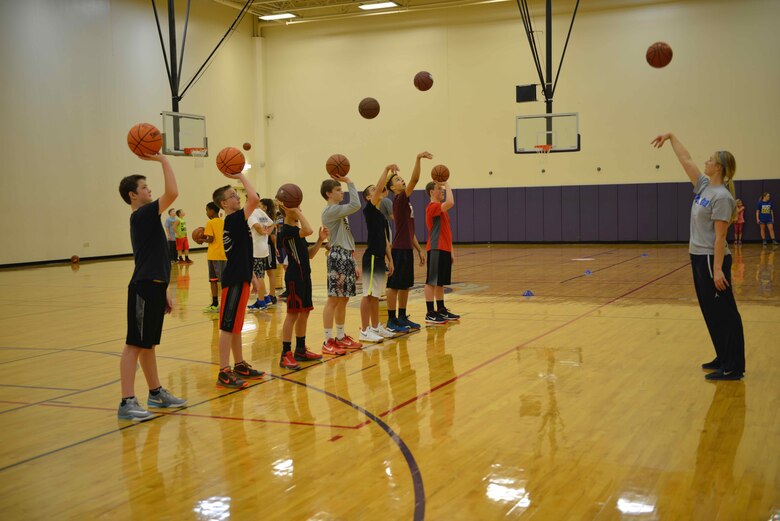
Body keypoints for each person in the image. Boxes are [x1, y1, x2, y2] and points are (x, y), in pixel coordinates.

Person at [652, 132, 745, 380]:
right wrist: (671, 137)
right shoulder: (705, 186)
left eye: (710, 159)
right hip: (698, 257)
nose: (706, 161)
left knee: (725, 313)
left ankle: (734, 366)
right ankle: (722, 356)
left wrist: (716, 270)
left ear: (719, 168)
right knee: (710, 311)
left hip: (711, 259)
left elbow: (720, 238)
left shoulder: (723, 198)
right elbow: (687, 160)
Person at [117, 153, 186, 420]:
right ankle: (126, 402)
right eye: (145, 187)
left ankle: (155, 393)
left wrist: (165, 289)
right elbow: (173, 192)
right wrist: (162, 160)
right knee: (134, 344)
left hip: (154, 286)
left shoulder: (147, 217)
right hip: (143, 287)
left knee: (148, 345)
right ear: (133, 195)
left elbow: (155, 257)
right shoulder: (143, 214)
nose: (149, 190)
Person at [212, 178, 265, 388]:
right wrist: (241, 176)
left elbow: (241, 252)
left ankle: (239, 364)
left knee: (236, 326)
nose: (237, 197)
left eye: (236, 194)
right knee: (227, 326)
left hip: (241, 276)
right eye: (233, 195)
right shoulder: (233, 219)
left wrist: (251, 275)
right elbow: (254, 198)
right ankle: (223, 371)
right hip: (233, 280)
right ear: (224, 204)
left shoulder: (237, 221)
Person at [277, 205, 336, 370]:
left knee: (305, 313)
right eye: (295, 208)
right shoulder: (287, 231)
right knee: (292, 315)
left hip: (305, 277)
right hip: (294, 279)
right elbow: (308, 229)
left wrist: (320, 240)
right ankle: (285, 354)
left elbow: (309, 254)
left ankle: (300, 350)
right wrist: (297, 213)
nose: (299, 210)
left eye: (300, 207)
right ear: (286, 209)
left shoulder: (297, 230)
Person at [385, 151, 432, 333]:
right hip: (398, 249)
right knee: (394, 286)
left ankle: (402, 317)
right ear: (392, 188)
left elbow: (409, 230)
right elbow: (415, 180)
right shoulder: (399, 198)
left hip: (406, 248)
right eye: (397, 180)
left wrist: (419, 249)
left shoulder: (405, 201)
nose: (402, 181)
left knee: (405, 286)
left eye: (401, 179)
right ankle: (391, 319)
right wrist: (418, 159)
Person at [320, 175, 365, 350]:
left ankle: (340, 336)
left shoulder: (339, 211)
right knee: (333, 299)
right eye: (338, 190)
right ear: (328, 193)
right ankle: (327, 340)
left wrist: (353, 262)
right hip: (337, 255)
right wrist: (350, 182)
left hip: (346, 255)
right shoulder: (330, 211)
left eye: (342, 189)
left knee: (344, 299)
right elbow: (356, 204)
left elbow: (347, 238)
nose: (342, 193)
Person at [359, 165, 399, 342]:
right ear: (369, 197)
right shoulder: (369, 209)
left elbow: (386, 241)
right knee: (368, 296)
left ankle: (375, 327)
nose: (378, 190)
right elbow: (380, 187)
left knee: (375, 296)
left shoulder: (381, 216)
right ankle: (364, 329)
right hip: (372, 257)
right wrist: (386, 170)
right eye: (373, 190)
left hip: (380, 257)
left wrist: (390, 260)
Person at [424, 180, 460, 324]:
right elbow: (450, 202)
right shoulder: (432, 207)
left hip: (444, 248)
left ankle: (441, 310)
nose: (443, 190)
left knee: (440, 282)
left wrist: (451, 250)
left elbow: (447, 232)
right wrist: (447, 183)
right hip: (435, 248)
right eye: (440, 189)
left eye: (443, 188)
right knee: (431, 281)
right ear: (432, 192)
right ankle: (430, 313)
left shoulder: (441, 209)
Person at [247, 195, 275, 311]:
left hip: (256, 249)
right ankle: (266, 299)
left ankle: (261, 301)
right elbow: (272, 223)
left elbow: (258, 227)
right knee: (260, 275)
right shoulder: (260, 212)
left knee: (258, 276)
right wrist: (267, 232)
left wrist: (263, 232)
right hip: (263, 248)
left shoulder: (251, 214)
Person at [201, 202, 226, 313]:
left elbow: (210, 239)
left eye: (207, 210)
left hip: (214, 255)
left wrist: (201, 240)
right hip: (222, 254)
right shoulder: (223, 221)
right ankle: (217, 303)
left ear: (212, 211)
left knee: (214, 280)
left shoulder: (210, 223)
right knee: (218, 280)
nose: (206, 212)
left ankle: (216, 303)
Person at [260, 198, 279, 306]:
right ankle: (266, 295)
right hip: (263, 246)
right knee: (263, 272)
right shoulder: (263, 217)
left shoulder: (267, 219)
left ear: (265, 207)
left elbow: (271, 235)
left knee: (270, 272)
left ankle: (272, 295)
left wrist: (275, 248)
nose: (258, 208)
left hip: (267, 246)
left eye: (260, 206)